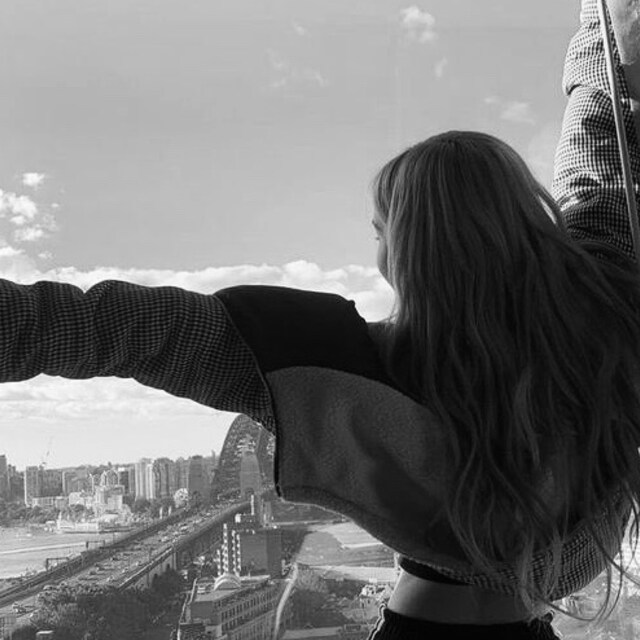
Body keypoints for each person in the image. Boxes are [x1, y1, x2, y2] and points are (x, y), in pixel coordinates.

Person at [1, 0, 639, 638]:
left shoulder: (330, 366)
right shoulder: (603, 329)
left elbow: (112, 327)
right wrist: (602, 21)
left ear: (408, 253)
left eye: (381, 233)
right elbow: (602, 137)